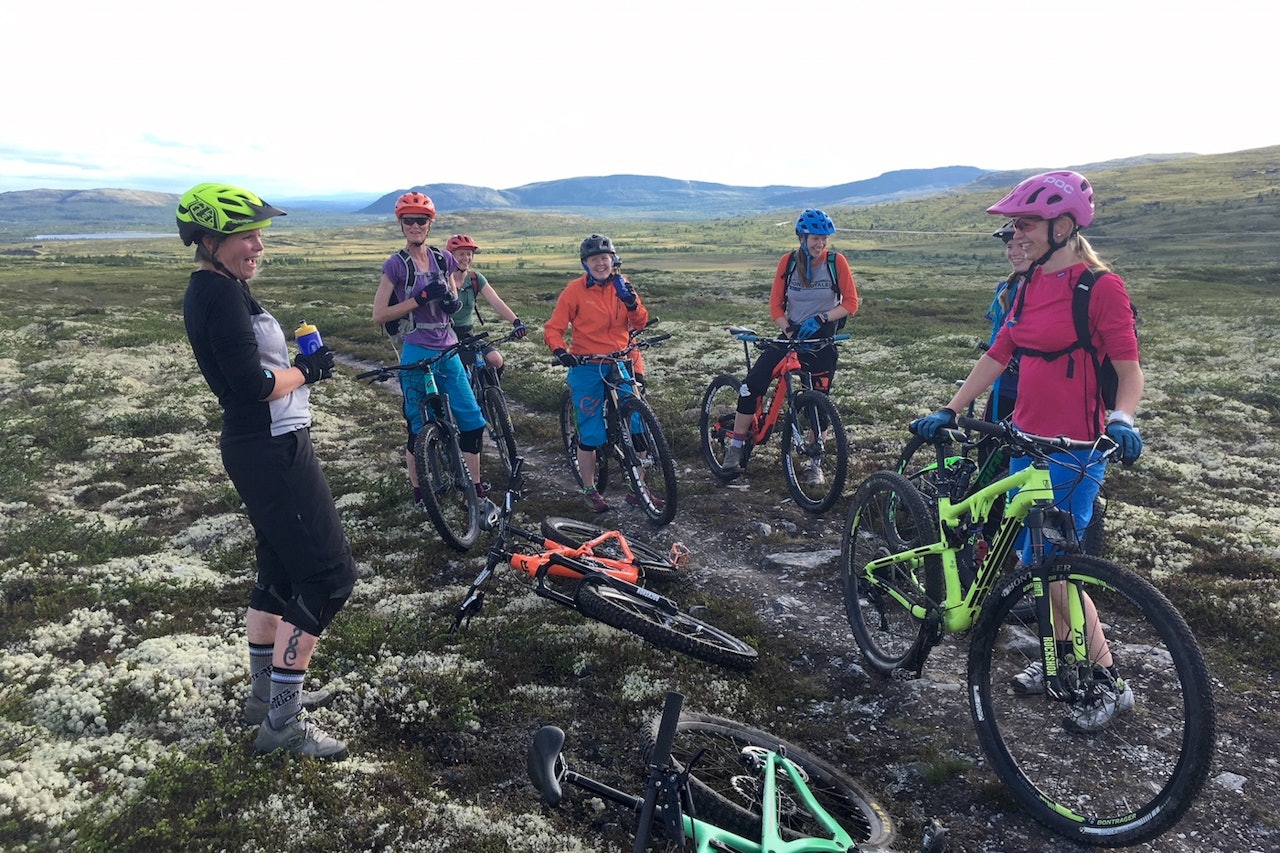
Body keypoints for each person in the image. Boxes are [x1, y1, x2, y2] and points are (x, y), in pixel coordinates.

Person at [909, 170, 1144, 733]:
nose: (1014, 236)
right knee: (1036, 562)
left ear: (1064, 227)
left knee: (1057, 567)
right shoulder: (1025, 286)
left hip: (1078, 448)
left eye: (1026, 226)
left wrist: (1123, 419)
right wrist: (953, 407)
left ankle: (1108, 679)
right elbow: (999, 353)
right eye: (1011, 227)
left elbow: (1127, 370)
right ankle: (1059, 659)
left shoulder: (1099, 288)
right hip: (1024, 440)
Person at [177, 183, 354, 760]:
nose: (258, 243)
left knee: (278, 572)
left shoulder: (220, 288)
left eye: (260, 233)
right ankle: (282, 721)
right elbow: (249, 387)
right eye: (245, 234)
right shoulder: (219, 296)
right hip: (271, 447)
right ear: (208, 240)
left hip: (262, 446)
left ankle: (264, 696)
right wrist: (306, 371)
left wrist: (302, 369)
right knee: (329, 578)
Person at [721, 208, 859, 483]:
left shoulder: (836, 262)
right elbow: (775, 305)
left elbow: (850, 304)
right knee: (751, 386)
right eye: (815, 238)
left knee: (818, 406)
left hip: (821, 342)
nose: (820, 244)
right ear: (802, 237)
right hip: (790, 336)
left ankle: (814, 464)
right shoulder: (788, 263)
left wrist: (822, 318)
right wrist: (787, 328)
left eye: (824, 238)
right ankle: (735, 447)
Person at [372, 194, 491, 508]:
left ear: (429, 224)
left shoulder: (443, 259)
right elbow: (379, 314)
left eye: (420, 220)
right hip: (416, 351)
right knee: (418, 424)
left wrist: (451, 301)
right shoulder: (396, 265)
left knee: (472, 420)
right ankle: (420, 490)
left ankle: (475, 487)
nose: (414, 226)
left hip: (448, 348)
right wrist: (419, 299)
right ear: (401, 224)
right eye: (408, 220)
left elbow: (452, 293)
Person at [544, 234, 651, 512]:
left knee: (637, 423)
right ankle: (590, 488)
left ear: (613, 259)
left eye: (605, 258)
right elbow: (554, 327)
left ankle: (637, 488)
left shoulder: (622, 284)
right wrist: (561, 351)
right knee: (590, 432)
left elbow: (639, 322)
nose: (601, 263)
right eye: (595, 260)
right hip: (586, 364)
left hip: (620, 360)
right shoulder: (574, 291)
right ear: (586, 264)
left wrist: (631, 303)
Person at [444, 233, 528, 372]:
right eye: (461, 254)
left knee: (496, 360)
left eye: (469, 254)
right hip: (446, 336)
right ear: (450, 256)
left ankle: (493, 392)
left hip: (468, 335)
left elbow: (496, 301)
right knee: (455, 371)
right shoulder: (443, 280)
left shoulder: (475, 278)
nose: (466, 258)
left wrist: (516, 322)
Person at [984, 222, 1032, 422]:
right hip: (1003, 387)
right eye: (1009, 246)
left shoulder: (1052, 292)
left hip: (1035, 393)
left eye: (1022, 246)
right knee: (992, 448)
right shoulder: (1005, 289)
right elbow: (997, 339)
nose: (1013, 252)